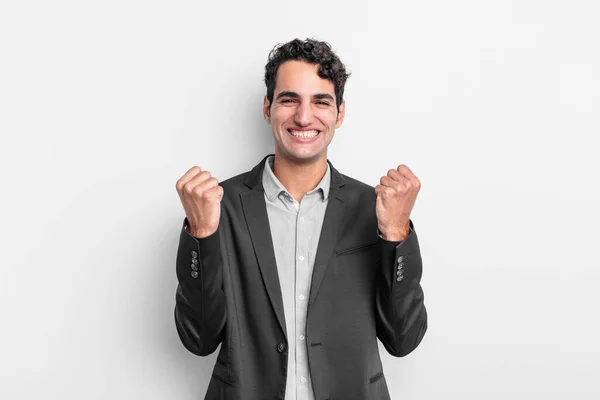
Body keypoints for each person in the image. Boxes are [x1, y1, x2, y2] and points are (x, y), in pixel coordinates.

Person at [174, 38, 427, 400]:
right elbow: (198, 339)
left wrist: (396, 233)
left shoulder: (377, 206)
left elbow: (403, 339)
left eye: (320, 101)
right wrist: (201, 233)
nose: (304, 117)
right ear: (268, 108)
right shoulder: (218, 205)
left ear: (339, 113)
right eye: (289, 99)